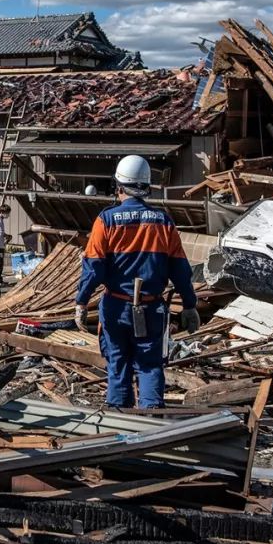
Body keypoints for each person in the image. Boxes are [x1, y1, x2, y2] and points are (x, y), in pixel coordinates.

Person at [73, 155, 201, 409]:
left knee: (118, 365)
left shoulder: (106, 220)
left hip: (116, 308)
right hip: (151, 309)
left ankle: (120, 425)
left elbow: (93, 268)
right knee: (150, 366)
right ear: (146, 187)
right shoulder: (164, 222)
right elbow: (180, 270)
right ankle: (150, 427)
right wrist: (189, 305)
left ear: (118, 186)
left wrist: (81, 301)